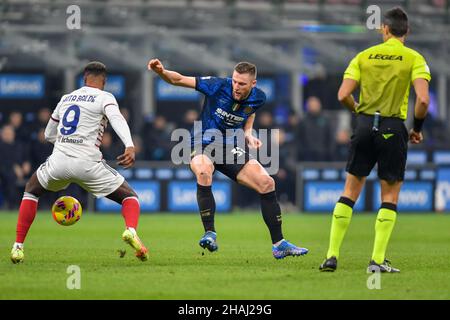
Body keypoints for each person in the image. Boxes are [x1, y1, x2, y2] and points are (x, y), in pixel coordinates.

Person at [148, 58, 308, 259]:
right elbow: (179, 79)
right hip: (201, 142)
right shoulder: (217, 85)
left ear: (253, 84)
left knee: (267, 182)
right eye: (234, 81)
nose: (236, 86)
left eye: (242, 83)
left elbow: (249, 112)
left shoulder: (259, 97)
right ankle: (210, 233)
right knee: (204, 171)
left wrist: (248, 132)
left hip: (229, 146)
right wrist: (161, 71)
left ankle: (279, 244)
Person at [319, 7, 431, 273]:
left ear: (384, 29)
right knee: (389, 196)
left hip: (365, 125)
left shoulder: (363, 56)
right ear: (407, 31)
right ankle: (376, 261)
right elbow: (423, 100)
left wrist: (360, 112)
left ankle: (331, 256)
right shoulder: (414, 58)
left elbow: (342, 95)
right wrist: (417, 128)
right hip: (393, 128)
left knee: (349, 192)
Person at [10, 61, 149, 264]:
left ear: (84, 78)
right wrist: (129, 145)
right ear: (105, 81)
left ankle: (18, 247)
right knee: (130, 198)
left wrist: (67, 142)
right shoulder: (105, 97)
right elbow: (117, 118)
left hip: (59, 162)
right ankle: (130, 230)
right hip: (88, 164)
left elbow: (49, 134)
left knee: (31, 190)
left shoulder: (67, 98)